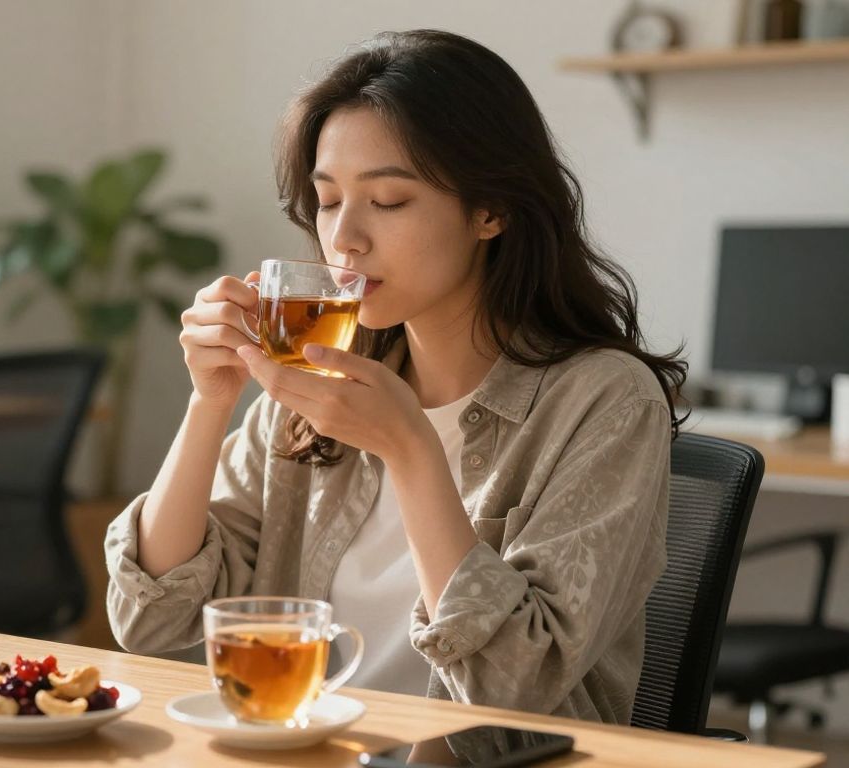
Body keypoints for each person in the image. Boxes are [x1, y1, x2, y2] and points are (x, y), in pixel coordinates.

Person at [104, 29, 687, 724]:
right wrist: (210, 402)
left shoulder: (604, 401)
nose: (345, 237)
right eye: (327, 200)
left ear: (490, 210)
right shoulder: (308, 390)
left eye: (387, 201)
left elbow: (517, 685)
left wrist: (410, 448)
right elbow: (152, 621)